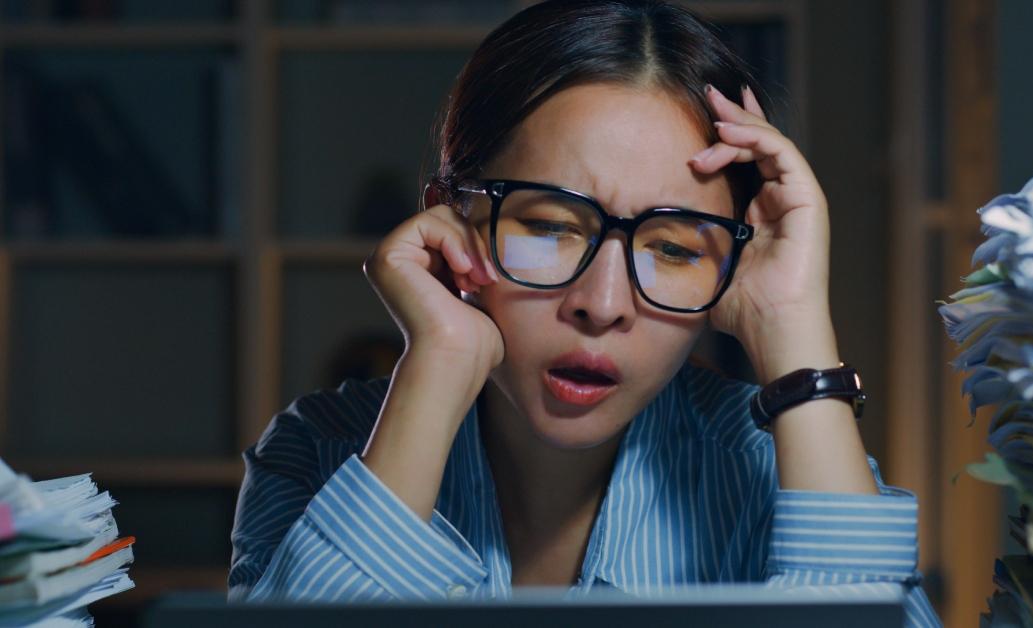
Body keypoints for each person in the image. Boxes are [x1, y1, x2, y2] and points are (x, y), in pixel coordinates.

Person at [228, 1, 941, 626]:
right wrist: (439, 358)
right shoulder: (318, 452)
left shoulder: (784, 472)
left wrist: (792, 323)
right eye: (548, 228)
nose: (602, 306)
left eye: (672, 248)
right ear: (449, 222)